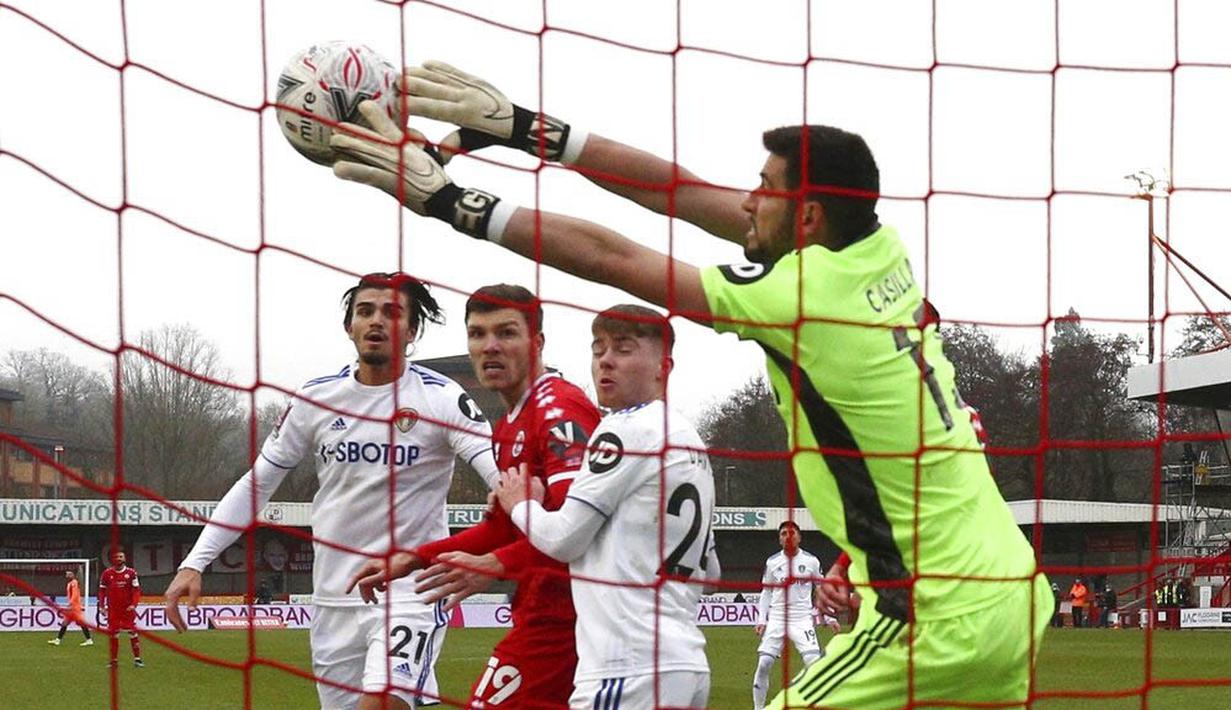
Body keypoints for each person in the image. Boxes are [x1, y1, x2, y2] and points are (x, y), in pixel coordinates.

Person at [327, 60, 1052, 706]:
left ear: (804, 216)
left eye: (762, 190)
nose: (744, 202)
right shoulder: (873, 247)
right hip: (1015, 591)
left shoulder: (800, 299)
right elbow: (688, 196)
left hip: (932, 613)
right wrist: (535, 133)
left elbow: (614, 257)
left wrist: (455, 205)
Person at [163, 272, 498, 710]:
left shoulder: (442, 399)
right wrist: (194, 562)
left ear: (412, 331)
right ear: (349, 327)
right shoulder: (316, 399)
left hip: (409, 592)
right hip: (332, 600)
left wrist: (503, 528)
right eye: (365, 312)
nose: (376, 321)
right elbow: (258, 483)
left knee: (381, 703)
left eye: (392, 313)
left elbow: (498, 476)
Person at [348, 283, 601, 708]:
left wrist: (495, 565)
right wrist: (416, 556)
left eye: (506, 333)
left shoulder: (559, 410)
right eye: (478, 334)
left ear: (536, 342)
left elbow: (581, 530)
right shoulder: (507, 424)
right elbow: (500, 530)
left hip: (571, 622)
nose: (490, 347)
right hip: (541, 612)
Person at [491, 304, 718, 709]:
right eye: (598, 350)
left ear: (662, 366)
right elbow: (711, 571)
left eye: (624, 349)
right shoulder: (689, 440)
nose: (605, 361)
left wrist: (520, 505)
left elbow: (562, 540)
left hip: (626, 669)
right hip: (685, 664)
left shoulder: (624, 428)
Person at [752, 521, 831, 710]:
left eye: (792, 533)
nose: (788, 536)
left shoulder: (811, 561)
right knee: (764, 663)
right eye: (784, 534)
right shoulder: (772, 562)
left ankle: (814, 703)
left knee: (813, 663)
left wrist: (828, 617)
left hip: (802, 619)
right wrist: (762, 619)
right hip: (778, 618)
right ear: (779, 539)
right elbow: (766, 592)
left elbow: (820, 590)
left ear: (799, 537)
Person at [100, 550, 142, 667]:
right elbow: (102, 591)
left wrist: (134, 604)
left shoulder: (131, 573)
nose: (119, 558)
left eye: (121, 556)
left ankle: (137, 659)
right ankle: (114, 661)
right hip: (113, 610)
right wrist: (102, 606)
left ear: (124, 558)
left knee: (132, 633)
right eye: (116, 557)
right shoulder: (107, 574)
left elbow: (136, 590)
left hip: (127, 609)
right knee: (114, 634)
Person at [47, 569, 93, 646]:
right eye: (67, 574)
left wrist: (70, 603)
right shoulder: (70, 583)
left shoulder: (74, 583)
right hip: (73, 607)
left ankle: (89, 640)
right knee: (65, 623)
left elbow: (75, 595)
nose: (67, 575)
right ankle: (58, 640)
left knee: (80, 623)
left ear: (73, 575)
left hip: (75, 607)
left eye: (69, 574)